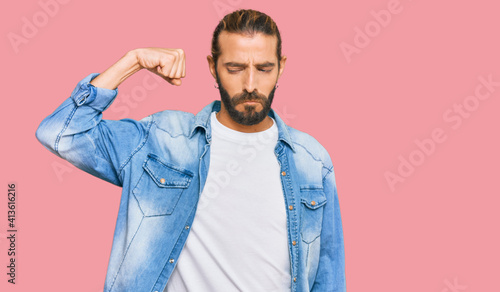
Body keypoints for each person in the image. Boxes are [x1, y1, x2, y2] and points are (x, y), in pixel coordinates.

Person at [36, 9, 346, 292]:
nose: (251, 84)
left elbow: (328, 279)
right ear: (213, 67)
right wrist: (133, 61)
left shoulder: (311, 160)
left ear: (281, 68)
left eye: (264, 68)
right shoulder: (162, 140)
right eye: (235, 68)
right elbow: (61, 133)